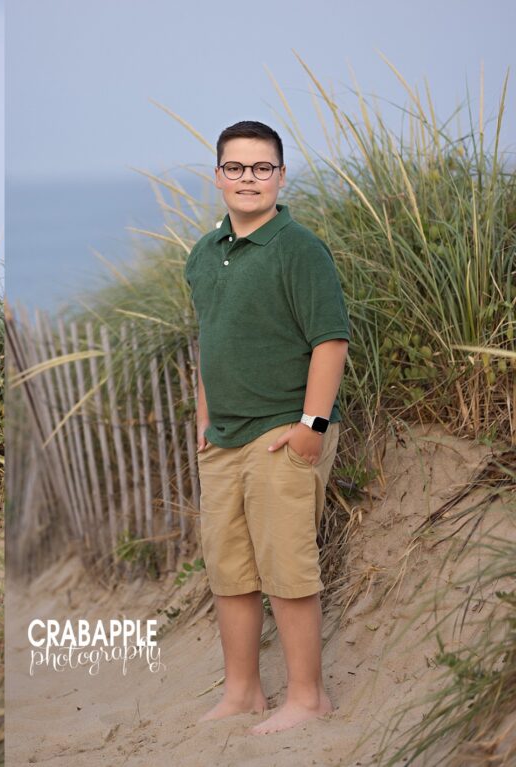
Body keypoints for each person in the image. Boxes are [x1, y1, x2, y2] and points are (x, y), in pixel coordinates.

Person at [184, 121, 350, 734]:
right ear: (218, 174)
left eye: (261, 168)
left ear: (280, 176)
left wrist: (312, 425)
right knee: (229, 569)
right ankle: (243, 691)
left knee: (286, 566)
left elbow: (329, 340)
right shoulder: (204, 252)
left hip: (282, 431)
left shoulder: (298, 247)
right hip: (223, 438)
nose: (247, 179)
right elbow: (210, 340)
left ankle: (308, 697)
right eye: (236, 168)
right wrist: (204, 419)